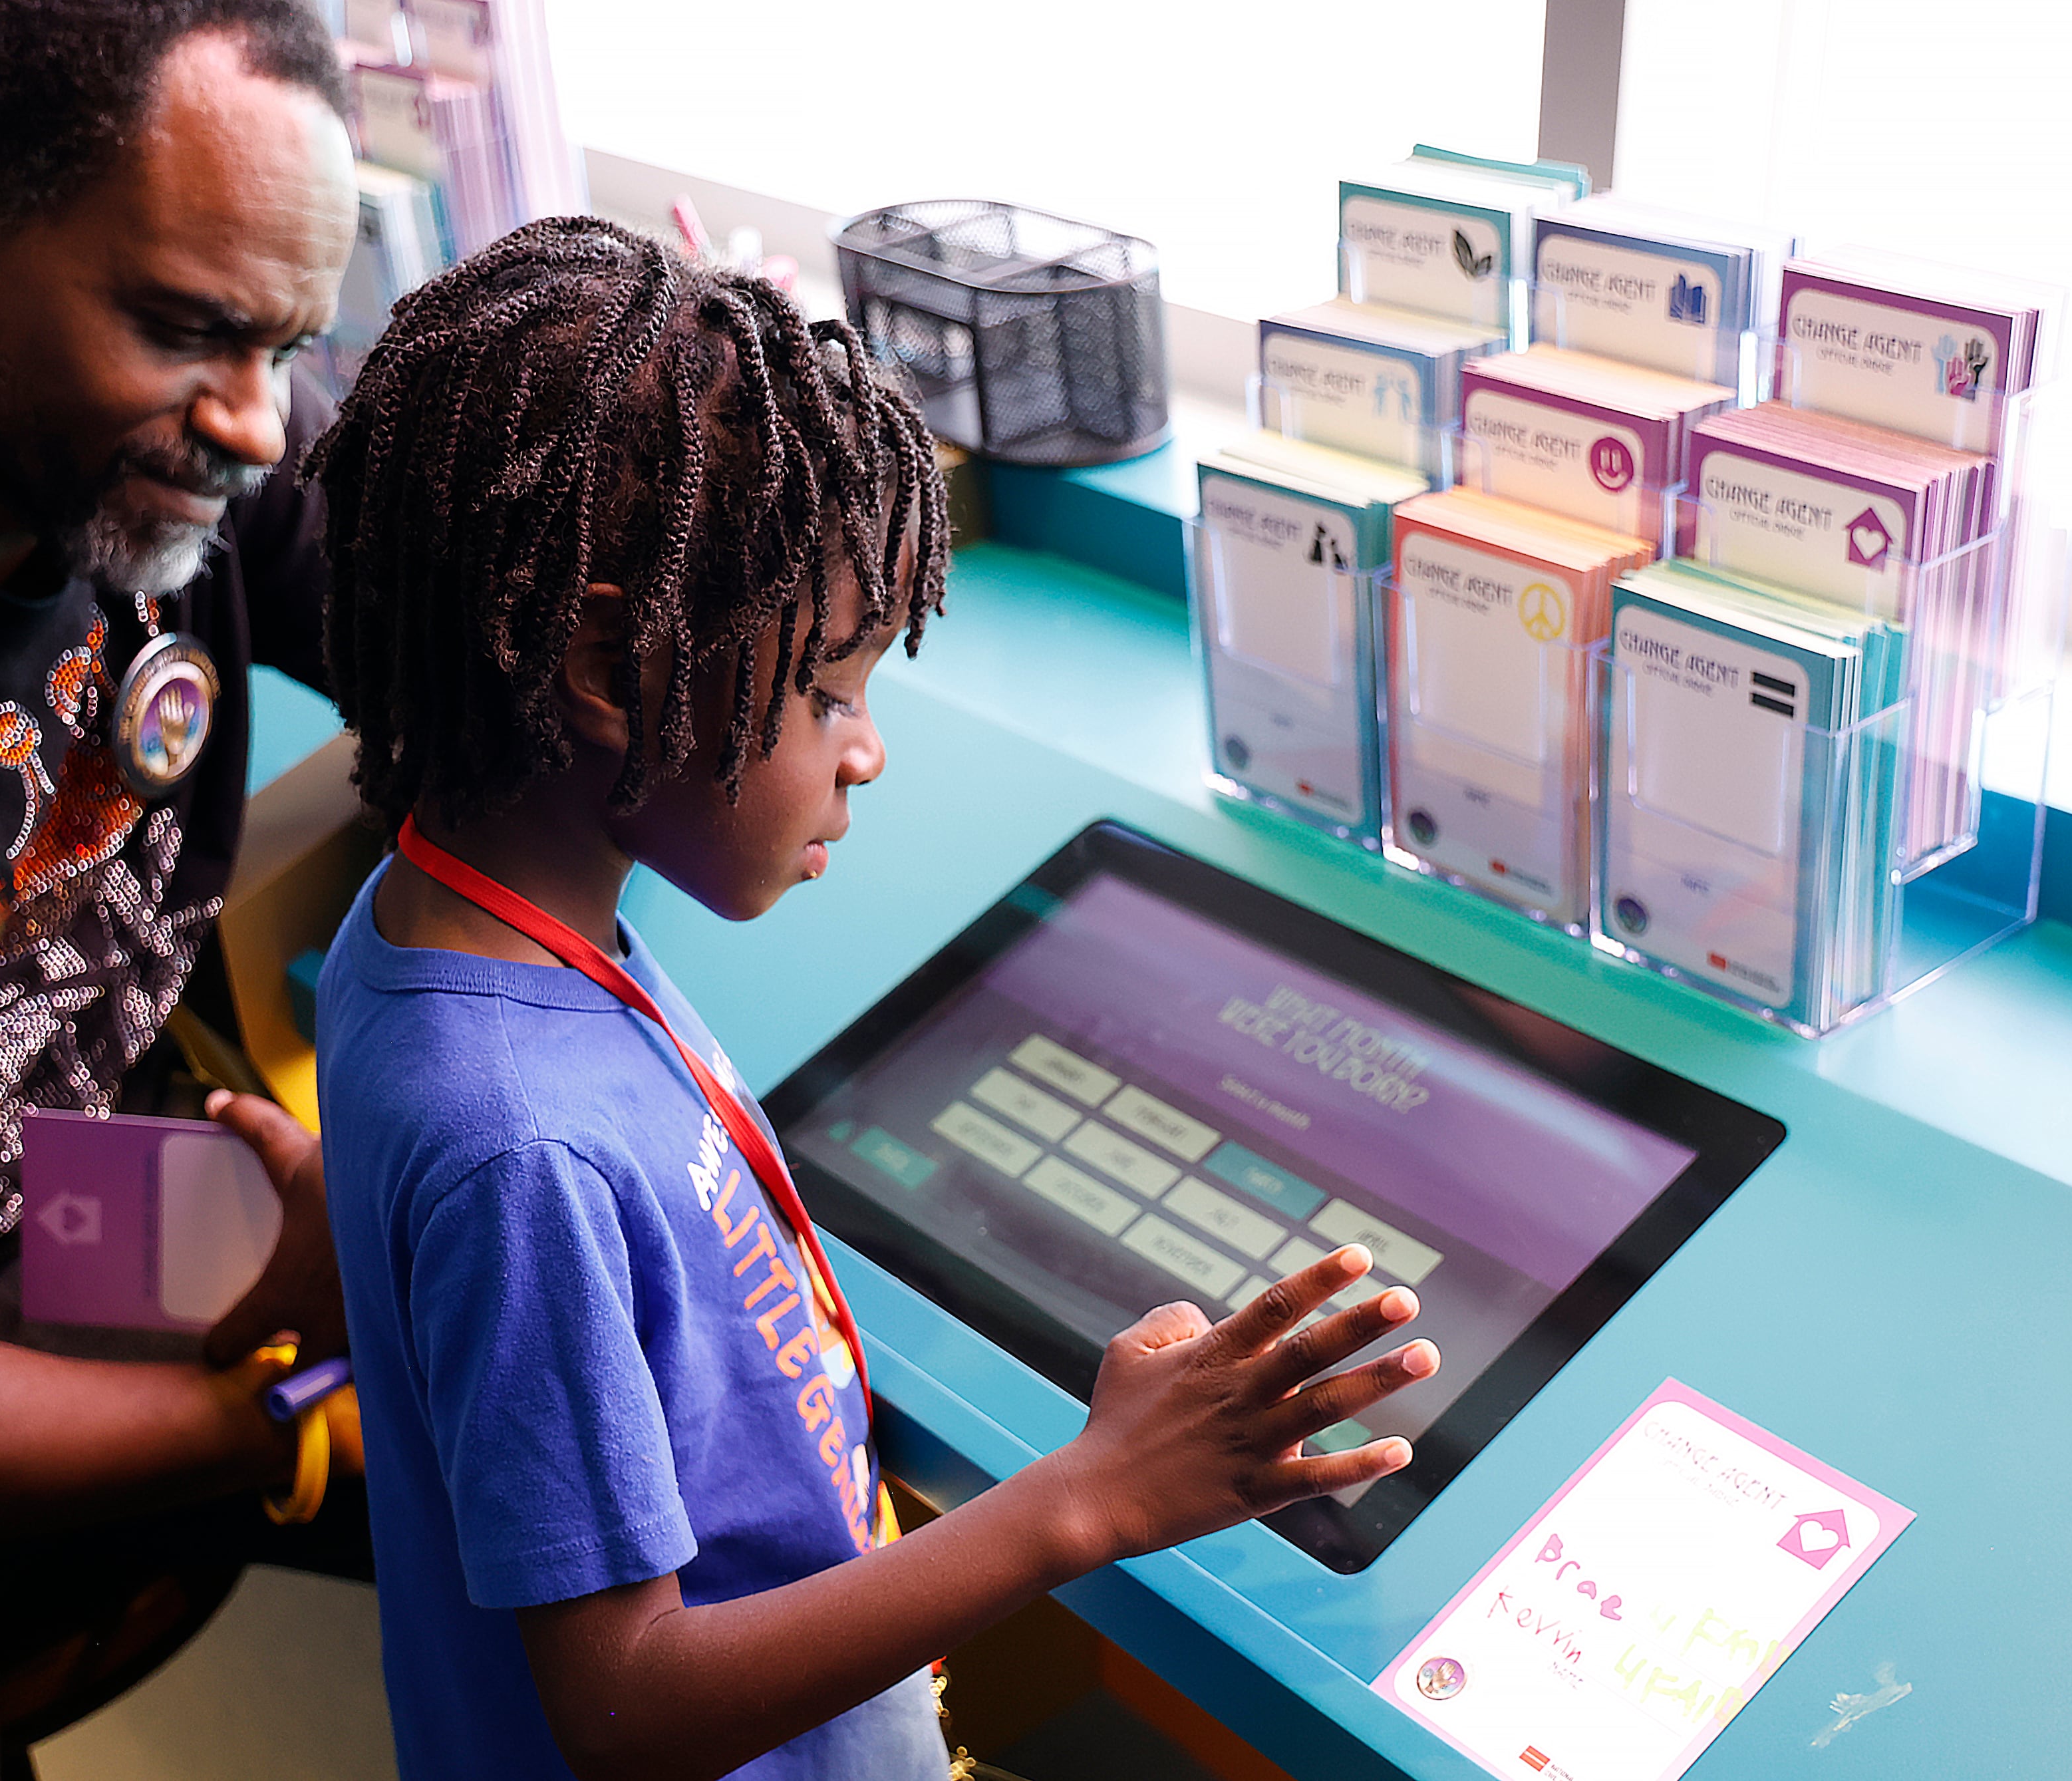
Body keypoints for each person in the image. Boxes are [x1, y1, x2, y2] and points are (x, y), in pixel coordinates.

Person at [308, 215, 1443, 1781]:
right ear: (604, 664)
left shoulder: (434, 931)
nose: (865, 748)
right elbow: (625, 1704)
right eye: (830, 687)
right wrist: (1088, 1493)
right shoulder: (519, 1146)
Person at [0, 1, 368, 1772]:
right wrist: (252, 1419)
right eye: (188, 330)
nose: (255, 426)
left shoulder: (188, 440)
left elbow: (480, 622)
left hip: (96, 1218)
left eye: (288, 344)